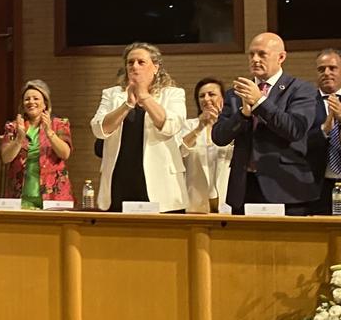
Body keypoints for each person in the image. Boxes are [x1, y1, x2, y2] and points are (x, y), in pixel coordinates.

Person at [212, 33, 318, 216]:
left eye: (262, 54)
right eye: (251, 54)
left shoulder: (301, 90)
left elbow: (295, 129)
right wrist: (243, 114)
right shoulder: (236, 93)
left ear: (281, 57)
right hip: (244, 187)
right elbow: (219, 137)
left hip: (285, 188)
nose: (255, 59)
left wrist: (260, 102)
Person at [91, 42, 187, 213]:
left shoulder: (173, 93)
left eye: (141, 62)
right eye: (130, 62)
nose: (134, 66)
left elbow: (171, 126)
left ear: (156, 67)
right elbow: (99, 129)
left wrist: (144, 96)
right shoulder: (112, 94)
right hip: (120, 180)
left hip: (161, 184)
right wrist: (127, 105)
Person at [0, 80, 72, 209]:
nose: (31, 102)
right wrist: (19, 138)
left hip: (53, 197)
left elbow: (65, 153)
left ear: (45, 104)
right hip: (20, 196)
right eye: (27, 99)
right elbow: (6, 158)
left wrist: (49, 132)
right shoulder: (13, 126)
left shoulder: (59, 124)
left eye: (36, 98)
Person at [180, 78, 232, 213]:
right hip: (196, 198)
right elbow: (180, 152)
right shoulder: (189, 125)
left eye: (211, 94)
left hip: (225, 196)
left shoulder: (231, 125)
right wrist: (200, 127)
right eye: (201, 96)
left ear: (223, 98)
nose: (206, 99)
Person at [307, 48, 340, 215]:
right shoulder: (304, 103)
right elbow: (299, 142)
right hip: (317, 186)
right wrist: (325, 129)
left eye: (332, 68)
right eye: (321, 69)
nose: (326, 73)